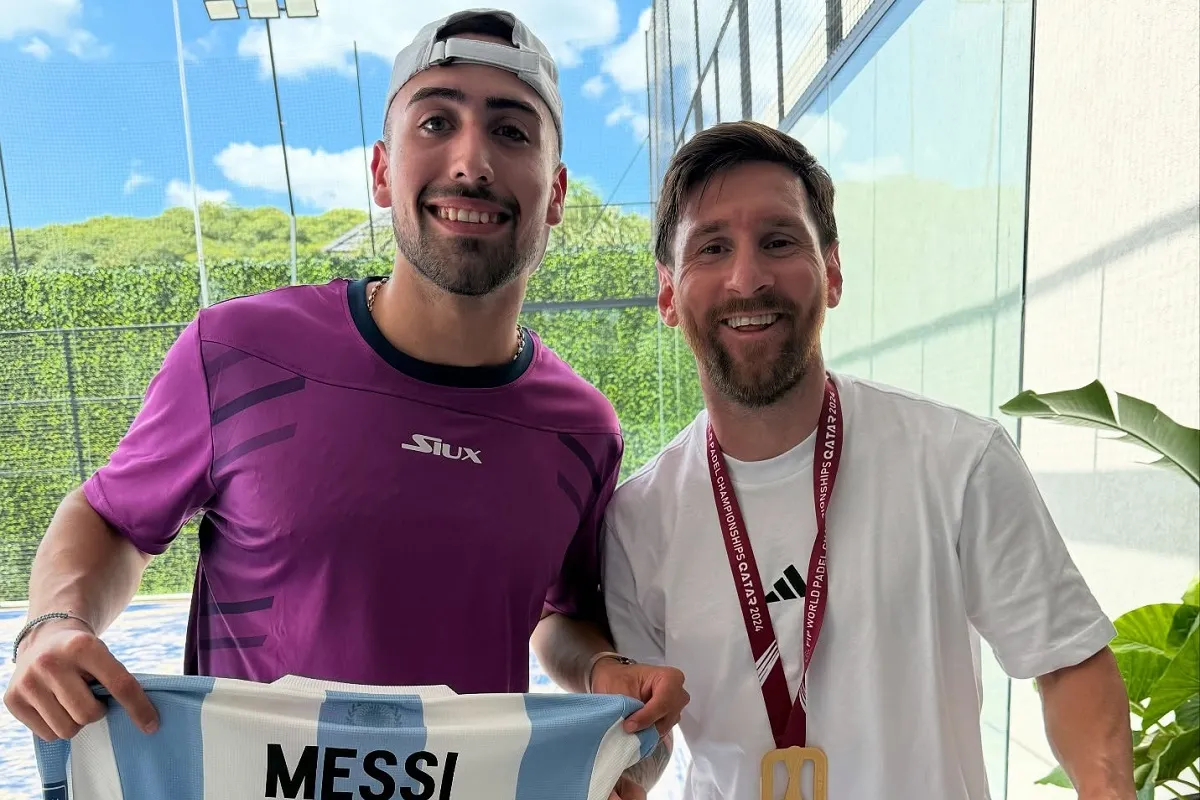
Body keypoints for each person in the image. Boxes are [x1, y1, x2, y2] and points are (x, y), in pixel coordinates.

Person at [4, 10, 684, 799]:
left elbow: (558, 611)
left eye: (513, 132)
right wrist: (54, 625)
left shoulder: (582, 430)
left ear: (557, 191)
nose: (471, 161)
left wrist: (604, 675)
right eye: (437, 120)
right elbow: (112, 518)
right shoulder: (238, 349)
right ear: (382, 171)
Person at [600, 120, 1135, 799]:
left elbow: (1067, 663)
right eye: (712, 247)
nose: (747, 277)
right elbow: (652, 739)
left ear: (832, 271)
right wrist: (621, 776)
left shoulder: (956, 460)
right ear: (669, 292)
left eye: (778, 241)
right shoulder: (637, 518)